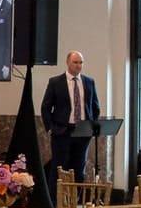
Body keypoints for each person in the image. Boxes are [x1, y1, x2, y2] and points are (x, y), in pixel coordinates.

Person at [40, 49, 99, 180]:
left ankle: (76, 199)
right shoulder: (55, 82)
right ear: (67, 62)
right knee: (59, 167)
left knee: (79, 168)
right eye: (75, 62)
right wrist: (50, 128)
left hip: (83, 131)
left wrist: (91, 126)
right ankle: (55, 199)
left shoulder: (89, 82)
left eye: (81, 62)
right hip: (62, 130)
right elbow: (46, 107)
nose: (78, 65)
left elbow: (95, 106)